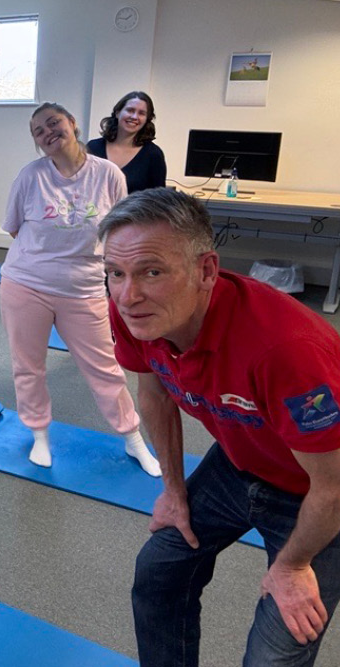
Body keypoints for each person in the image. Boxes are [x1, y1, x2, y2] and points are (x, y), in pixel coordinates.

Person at [100, 188, 340, 667]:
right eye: (115, 273)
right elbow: (154, 394)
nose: (128, 295)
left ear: (206, 271)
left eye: (152, 271)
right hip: (239, 467)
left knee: (278, 648)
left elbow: (334, 486)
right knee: (159, 572)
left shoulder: (286, 351)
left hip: (320, 492)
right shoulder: (136, 314)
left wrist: (292, 566)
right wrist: (173, 490)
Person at [0, 102, 160, 476]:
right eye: (39, 131)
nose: (48, 132)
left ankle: (133, 438)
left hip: (85, 288)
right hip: (26, 284)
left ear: (72, 124)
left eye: (53, 123)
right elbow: (13, 228)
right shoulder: (30, 176)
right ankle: (38, 432)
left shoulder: (108, 175)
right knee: (28, 366)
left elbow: (121, 229)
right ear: (37, 143)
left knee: (105, 367)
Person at [86, 91, 166, 194]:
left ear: (147, 119)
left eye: (141, 113)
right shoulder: (93, 147)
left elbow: (158, 200)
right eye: (130, 110)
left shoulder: (153, 155)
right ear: (117, 112)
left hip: (134, 211)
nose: (134, 117)